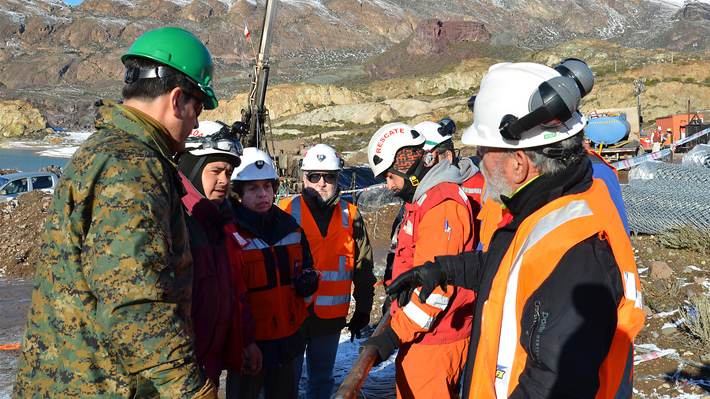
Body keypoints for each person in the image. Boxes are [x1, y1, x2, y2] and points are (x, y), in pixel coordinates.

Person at [386, 59, 645, 399]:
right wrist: (444, 269)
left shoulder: (576, 252)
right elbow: (512, 268)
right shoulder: (550, 207)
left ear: (519, 165)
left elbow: (551, 385)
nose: (478, 161)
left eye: (484, 150)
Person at [13, 27, 219, 399]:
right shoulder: (133, 166)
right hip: (101, 386)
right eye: (198, 107)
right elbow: (136, 301)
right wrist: (190, 391)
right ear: (176, 100)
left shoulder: (104, 150)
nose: (196, 123)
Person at [363, 122, 476, 399]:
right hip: (421, 335)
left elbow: (435, 292)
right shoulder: (424, 201)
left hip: (435, 339)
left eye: (390, 177)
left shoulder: (441, 206)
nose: (388, 187)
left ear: (407, 166)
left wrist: (392, 335)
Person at [278, 143, 376, 399]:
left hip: (330, 319)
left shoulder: (352, 216)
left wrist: (364, 310)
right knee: (285, 382)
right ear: (303, 178)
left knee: (321, 382)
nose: (321, 183)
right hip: (292, 317)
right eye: (314, 176)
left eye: (329, 177)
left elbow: (363, 268)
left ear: (337, 178)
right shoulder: (284, 211)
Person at [226, 148, 319, 399]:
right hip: (250, 346)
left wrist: (308, 283)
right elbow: (230, 297)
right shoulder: (230, 234)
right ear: (238, 194)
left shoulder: (291, 229)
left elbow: (308, 267)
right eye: (253, 188)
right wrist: (245, 343)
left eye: (267, 186)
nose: (263, 194)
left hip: (287, 341)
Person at [176, 121, 262, 385]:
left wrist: (246, 340)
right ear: (191, 168)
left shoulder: (223, 224)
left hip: (208, 366)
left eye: (229, 172)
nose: (225, 181)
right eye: (216, 171)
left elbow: (235, 291)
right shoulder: (173, 223)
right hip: (175, 371)